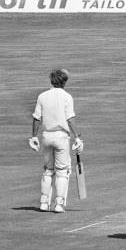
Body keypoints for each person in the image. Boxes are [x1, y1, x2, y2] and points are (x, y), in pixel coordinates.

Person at [29, 69, 83, 213]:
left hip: (46, 136)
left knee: (48, 171)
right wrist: (77, 136)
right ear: (64, 81)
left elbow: (36, 118)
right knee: (62, 171)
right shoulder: (67, 97)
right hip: (61, 137)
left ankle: (44, 203)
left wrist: (34, 136)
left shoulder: (42, 96)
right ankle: (59, 204)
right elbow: (70, 119)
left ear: (51, 81)